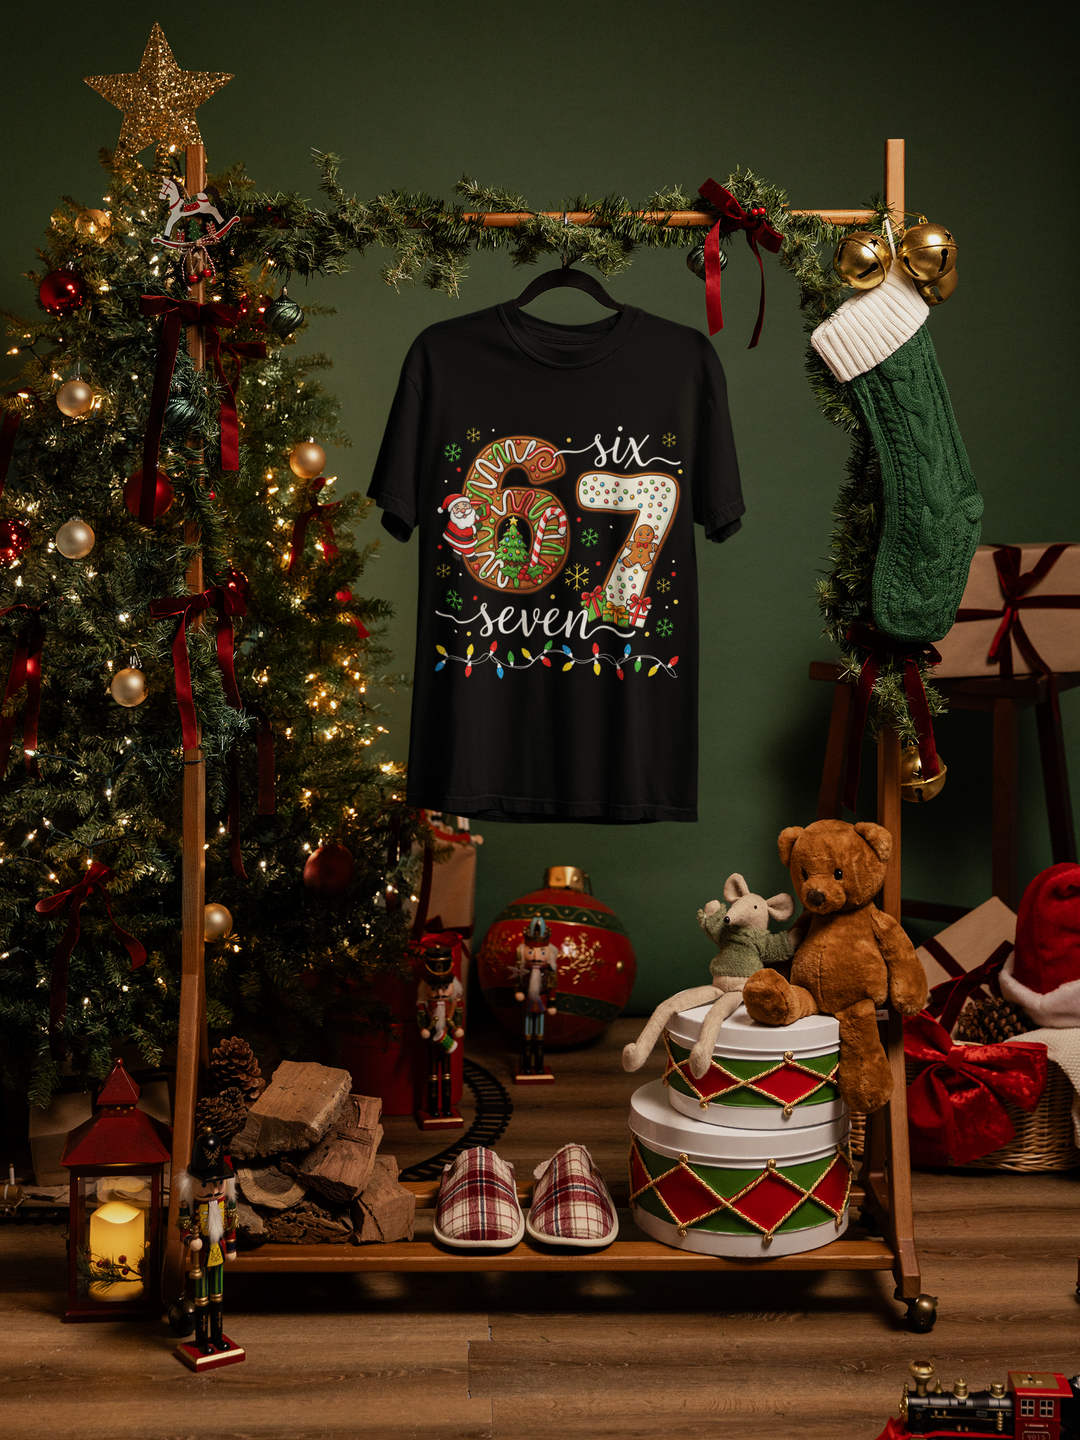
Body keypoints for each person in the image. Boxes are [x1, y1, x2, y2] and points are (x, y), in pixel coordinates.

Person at [176, 1128, 239, 1358]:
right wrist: (189, 1241)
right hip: (200, 1257)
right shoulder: (190, 1206)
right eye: (205, 1185)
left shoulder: (227, 1202)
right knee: (201, 1299)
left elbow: (231, 1226)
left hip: (219, 1253)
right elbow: (182, 1228)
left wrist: (231, 1248)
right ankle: (203, 1341)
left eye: (218, 1184)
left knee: (218, 1297)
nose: (213, 1190)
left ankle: (218, 1338)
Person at [416, 947, 465, 1117]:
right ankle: (433, 1109)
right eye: (435, 988)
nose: (440, 993)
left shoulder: (453, 1006)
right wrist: (424, 1029)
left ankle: (446, 1107)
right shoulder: (425, 1006)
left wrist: (457, 1028)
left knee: (446, 1073)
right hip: (432, 1042)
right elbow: (421, 1020)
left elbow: (457, 1020)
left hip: (447, 1039)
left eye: (444, 987)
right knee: (432, 1075)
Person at [512, 915, 559, 1076]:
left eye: (542, 951)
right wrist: (518, 991)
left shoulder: (548, 972)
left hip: (542, 1001)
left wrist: (552, 1004)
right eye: (531, 951)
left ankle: (538, 1065)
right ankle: (526, 1065)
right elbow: (518, 982)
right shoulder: (524, 970)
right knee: (526, 1036)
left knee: (539, 1036)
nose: (536, 956)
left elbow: (552, 988)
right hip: (527, 1003)